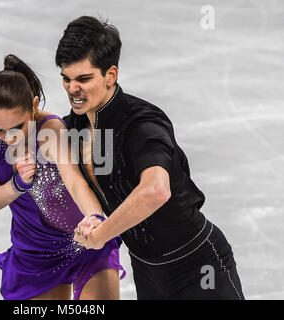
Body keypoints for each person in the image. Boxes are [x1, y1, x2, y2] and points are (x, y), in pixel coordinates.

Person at [56, 16, 245, 299]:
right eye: (66, 79)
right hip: (147, 271)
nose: (72, 89)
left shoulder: (141, 123)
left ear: (111, 75)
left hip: (197, 266)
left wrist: (101, 234)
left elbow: (156, 190)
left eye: (83, 79)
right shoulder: (74, 128)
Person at [0, 54, 125, 300]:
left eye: (17, 127)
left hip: (84, 240)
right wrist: (17, 185)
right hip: (35, 252)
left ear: (34, 106)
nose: (8, 138)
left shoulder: (49, 130)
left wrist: (94, 219)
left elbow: (74, 181)